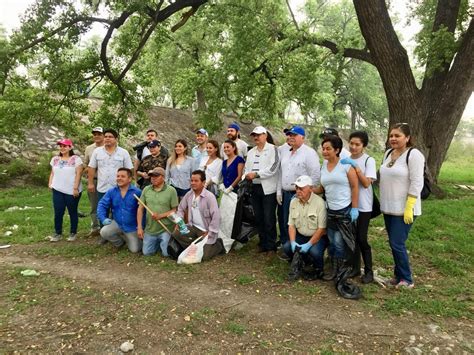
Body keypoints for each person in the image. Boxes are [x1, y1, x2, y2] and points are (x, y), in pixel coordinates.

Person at [379, 123, 424, 289]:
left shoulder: (414, 155)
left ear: (407, 138)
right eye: (391, 136)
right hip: (388, 207)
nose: (393, 139)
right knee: (393, 242)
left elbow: (417, 181)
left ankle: (407, 279)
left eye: (397, 136)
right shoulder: (388, 153)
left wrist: (409, 205)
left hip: (405, 209)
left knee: (397, 243)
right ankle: (398, 276)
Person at [314, 135, 359, 280]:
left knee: (340, 243)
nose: (325, 151)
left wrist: (355, 208)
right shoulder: (324, 166)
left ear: (337, 150)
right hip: (330, 209)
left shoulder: (345, 165)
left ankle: (340, 271)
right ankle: (334, 269)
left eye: (328, 149)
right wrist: (309, 190)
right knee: (332, 241)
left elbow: (354, 187)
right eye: (323, 148)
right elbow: (322, 188)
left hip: (344, 209)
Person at [339, 131, 377, 283]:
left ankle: (369, 271)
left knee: (361, 238)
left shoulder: (369, 160)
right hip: (348, 204)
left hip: (364, 206)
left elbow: (367, 183)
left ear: (364, 146)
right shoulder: (345, 159)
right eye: (352, 143)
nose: (354, 147)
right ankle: (354, 267)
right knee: (351, 238)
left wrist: (356, 168)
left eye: (357, 144)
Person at [277, 125, 320, 249]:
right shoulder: (285, 152)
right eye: (289, 135)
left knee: (299, 221)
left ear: (303, 137)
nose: (291, 137)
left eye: (294, 135)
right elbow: (281, 172)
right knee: (285, 220)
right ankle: (287, 245)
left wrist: (308, 193)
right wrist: (279, 191)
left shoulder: (309, 153)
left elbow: (315, 175)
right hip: (286, 193)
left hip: (301, 194)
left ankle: (300, 247)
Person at [169, 170, 225, 260]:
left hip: (206, 231)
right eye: (191, 181)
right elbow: (180, 208)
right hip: (193, 227)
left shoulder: (209, 197)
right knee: (176, 233)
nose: (193, 183)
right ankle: (195, 245)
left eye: (196, 181)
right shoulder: (189, 194)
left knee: (204, 257)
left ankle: (217, 245)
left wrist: (209, 232)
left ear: (203, 182)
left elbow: (216, 217)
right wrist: (179, 221)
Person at [244, 126, 280, 253]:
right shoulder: (251, 152)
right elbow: (246, 168)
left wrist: (257, 174)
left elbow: (273, 168)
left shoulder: (273, 149)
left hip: (268, 189)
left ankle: (271, 246)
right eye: (254, 135)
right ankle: (262, 242)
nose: (256, 137)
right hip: (254, 187)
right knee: (258, 217)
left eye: (258, 135)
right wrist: (247, 175)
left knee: (269, 217)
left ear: (265, 135)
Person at [284, 175, 327, 279]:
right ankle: (303, 260)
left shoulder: (320, 203)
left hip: (318, 237)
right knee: (287, 247)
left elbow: (322, 229)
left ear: (311, 189)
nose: (298, 191)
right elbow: (291, 225)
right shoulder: (293, 201)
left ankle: (318, 267)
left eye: (301, 188)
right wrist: (293, 242)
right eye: (297, 188)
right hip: (301, 235)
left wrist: (309, 244)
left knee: (314, 251)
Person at [97, 168, 142, 253]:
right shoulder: (111, 191)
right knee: (104, 232)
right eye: (118, 176)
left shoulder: (137, 192)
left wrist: (141, 227)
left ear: (129, 179)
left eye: (122, 176)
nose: (119, 178)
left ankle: (128, 237)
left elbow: (143, 211)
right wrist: (103, 218)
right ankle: (120, 243)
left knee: (135, 250)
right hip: (118, 223)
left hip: (132, 227)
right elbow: (102, 205)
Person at [137, 167, 179, 256]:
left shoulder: (171, 190)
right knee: (147, 253)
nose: (153, 178)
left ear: (163, 177)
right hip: (150, 229)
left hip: (165, 228)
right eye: (151, 176)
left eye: (156, 176)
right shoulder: (146, 189)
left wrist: (161, 216)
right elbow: (140, 209)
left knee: (167, 254)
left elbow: (174, 210)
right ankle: (158, 243)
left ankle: (163, 242)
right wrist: (140, 227)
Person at [48, 139, 83, 242]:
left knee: (72, 211)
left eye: (65, 146)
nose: (62, 148)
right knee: (58, 211)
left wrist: (75, 188)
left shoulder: (76, 159)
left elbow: (78, 174)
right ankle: (57, 233)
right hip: (57, 189)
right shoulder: (55, 159)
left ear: (70, 147)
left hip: (71, 190)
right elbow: (52, 173)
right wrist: (50, 183)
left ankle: (73, 232)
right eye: (61, 146)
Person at [87, 128, 134, 202]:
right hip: (102, 188)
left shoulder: (123, 152)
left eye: (110, 137)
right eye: (106, 137)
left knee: (117, 211)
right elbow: (91, 167)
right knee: (103, 210)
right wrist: (90, 183)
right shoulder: (97, 151)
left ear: (116, 139)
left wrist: (128, 185)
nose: (107, 138)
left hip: (118, 188)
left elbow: (129, 170)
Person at [83, 126, 104, 236]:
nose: (96, 136)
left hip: (106, 180)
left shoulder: (108, 147)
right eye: (95, 134)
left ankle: (107, 227)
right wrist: (91, 168)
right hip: (94, 179)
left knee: (107, 204)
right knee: (94, 205)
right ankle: (95, 227)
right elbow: (85, 165)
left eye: (99, 134)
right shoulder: (89, 148)